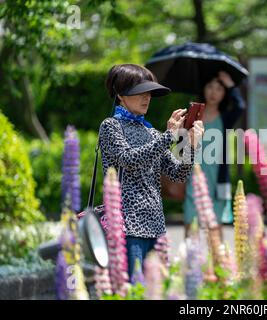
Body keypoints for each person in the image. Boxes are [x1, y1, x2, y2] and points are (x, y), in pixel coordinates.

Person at [100, 64, 204, 277]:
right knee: (132, 290)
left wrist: (189, 146)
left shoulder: (152, 132)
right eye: (140, 92)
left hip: (156, 226)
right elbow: (129, 159)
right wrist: (168, 136)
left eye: (149, 93)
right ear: (120, 95)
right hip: (126, 226)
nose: (146, 98)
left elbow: (177, 174)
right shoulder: (110, 126)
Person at [183, 71, 246, 238]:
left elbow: (240, 106)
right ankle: (189, 262)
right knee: (191, 224)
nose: (213, 92)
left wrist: (231, 85)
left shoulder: (225, 118)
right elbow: (181, 146)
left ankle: (218, 264)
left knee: (215, 229)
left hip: (217, 178)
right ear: (203, 89)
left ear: (224, 93)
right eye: (210, 87)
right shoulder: (192, 116)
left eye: (219, 88)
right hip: (193, 177)